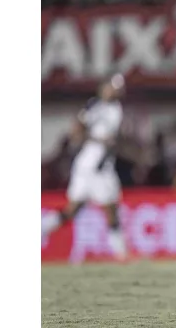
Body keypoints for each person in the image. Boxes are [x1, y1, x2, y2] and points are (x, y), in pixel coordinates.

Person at [41, 74, 128, 261]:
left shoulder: (115, 109)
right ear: (104, 87)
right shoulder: (94, 106)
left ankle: (42, 229)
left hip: (97, 165)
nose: (116, 91)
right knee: (110, 208)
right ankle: (121, 255)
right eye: (113, 87)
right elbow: (76, 130)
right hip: (93, 166)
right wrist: (96, 139)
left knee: (73, 210)